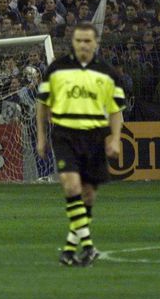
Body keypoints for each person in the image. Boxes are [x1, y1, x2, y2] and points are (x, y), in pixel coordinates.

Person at [36, 22, 125, 267]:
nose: (83, 45)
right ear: (72, 43)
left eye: (87, 41)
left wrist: (115, 138)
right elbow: (42, 104)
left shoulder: (108, 73)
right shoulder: (57, 69)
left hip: (95, 137)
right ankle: (88, 246)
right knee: (71, 185)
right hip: (65, 135)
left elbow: (116, 110)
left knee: (87, 195)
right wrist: (41, 137)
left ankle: (69, 249)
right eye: (79, 41)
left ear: (96, 43)